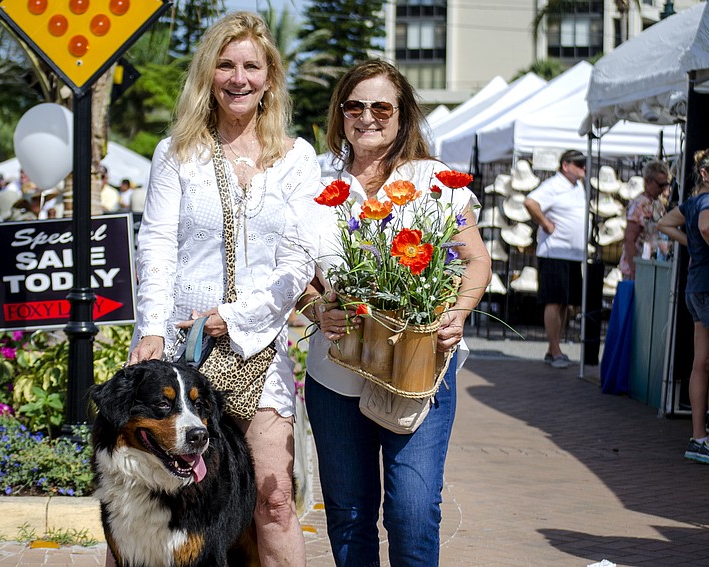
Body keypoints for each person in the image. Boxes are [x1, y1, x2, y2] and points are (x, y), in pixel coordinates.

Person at [125, 11, 320, 566]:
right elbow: (157, 246)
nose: (239, 78)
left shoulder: (297, 159)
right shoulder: (176, 153)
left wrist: (234, 318)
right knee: (157, 502)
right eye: (226, 65)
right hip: (184, 350)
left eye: (251, 66)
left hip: (258, 349)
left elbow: (298, 259)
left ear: (270, 77)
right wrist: (152, 333)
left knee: (274, 496)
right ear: (208, 75)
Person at [298, 59, 490, 566]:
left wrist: (459, 312)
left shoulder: (436, 181)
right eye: (354, 106)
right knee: (350, 513)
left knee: (413, 509)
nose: (367, 116)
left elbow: (476, 261)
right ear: (340, 115)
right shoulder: (313, 182)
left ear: (402, 115)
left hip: (419, 371)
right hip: (335, 374)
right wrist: (317, 309)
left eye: (381, 106)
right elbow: (291, 274)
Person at [658, 149, 709, 466]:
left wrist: (697, 244)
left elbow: (664, 223)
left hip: (696, 289)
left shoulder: (691, 201)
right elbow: (704, 227)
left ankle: (699, 438)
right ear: (705, 174)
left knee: (702, 363)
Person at [523, 149, 587, 369]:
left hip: (571, 255)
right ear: (565, 165)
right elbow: (530, 202)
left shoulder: (577, 186)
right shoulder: (553, 184)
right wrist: (546, 224)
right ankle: (555, 349)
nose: (583, 168)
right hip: (555, 253)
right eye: (578, 164)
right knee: (554, 301)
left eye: (584, 164)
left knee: (564, 303)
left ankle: (553, 349)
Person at [620, 160, 671, 279]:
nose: (663, 189)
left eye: (665, 185)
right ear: (647, 181)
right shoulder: (639, 205)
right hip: (638, 268)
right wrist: (634, 270)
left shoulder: (657, 203)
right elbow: (629, 239)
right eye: (660, 185)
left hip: (651, 265)